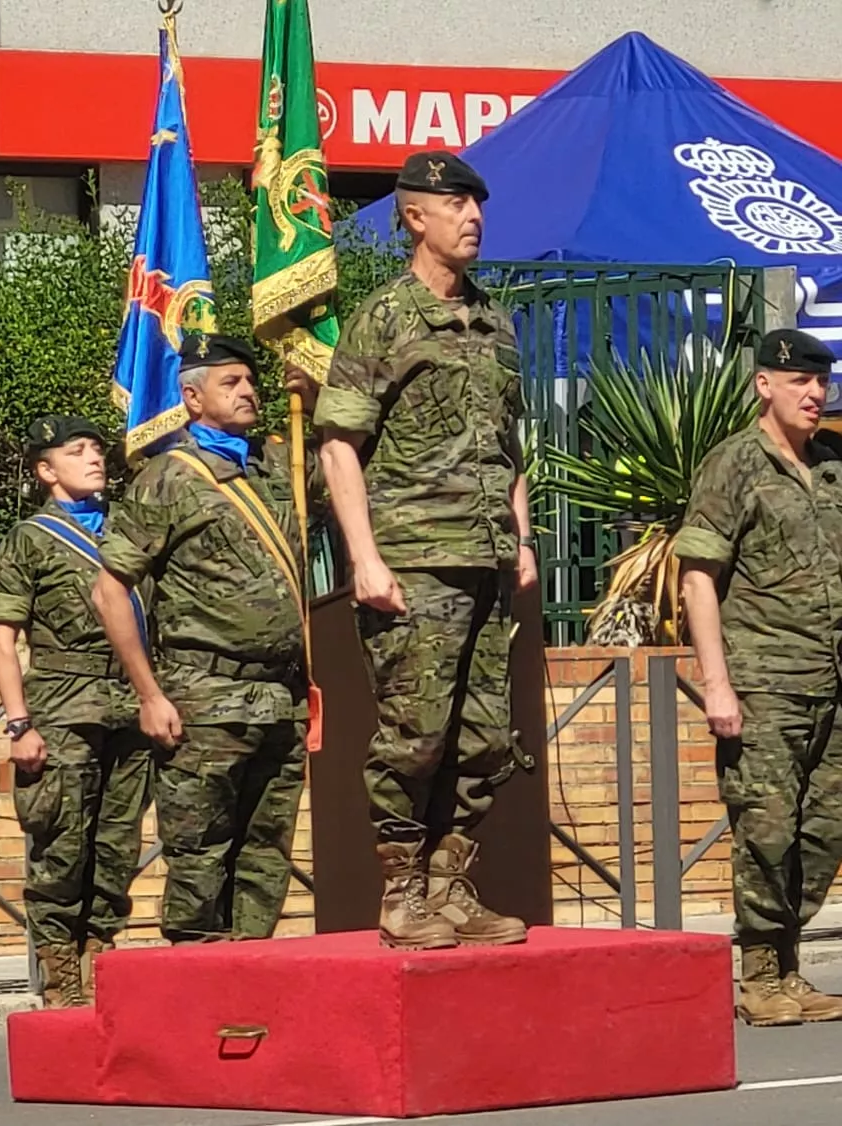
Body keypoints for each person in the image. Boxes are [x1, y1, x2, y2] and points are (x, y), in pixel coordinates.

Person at [313, 149, 535, 951]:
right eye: (457, 207)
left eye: (479, 206)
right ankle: (402, 891)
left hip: (485, 558)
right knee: (416, 734)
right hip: (413, 559)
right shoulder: (386, 318)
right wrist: (364, 559)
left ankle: (450, 889)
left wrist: (521, 535)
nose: (473, 219)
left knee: (485, 741)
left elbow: (507, 443)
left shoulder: (497, 322)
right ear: (415, 217)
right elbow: (339, 445)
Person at [93, 335, 312, 946]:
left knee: (266, 859)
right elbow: (111, 591)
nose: (248, 391)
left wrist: (316, 397)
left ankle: (251, 986)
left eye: (249, 381)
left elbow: (358, 465)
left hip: (280, 698)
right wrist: (148, 693)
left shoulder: (275, 465)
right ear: (191, 397)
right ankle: (197, 990)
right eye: (230, 383)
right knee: (198, 858)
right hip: (204, 696)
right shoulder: (170, 478)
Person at [676, 328, 842, 1027]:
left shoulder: (833, 463)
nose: (814, 392)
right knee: (768, 830)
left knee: (824, 830)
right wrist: (716, 683)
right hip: (765, 681)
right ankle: (759, 970)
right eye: (799, 380)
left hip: (832, 681)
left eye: (821, 380)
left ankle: (791, 964)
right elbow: (697, 579)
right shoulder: (734, 465)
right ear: (763, 385)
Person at [0, 416, 151, 1008]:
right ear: (46, 470)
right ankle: (62, 983)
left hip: (127, 710)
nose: (95, 458)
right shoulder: (31, 539)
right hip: (63, 707)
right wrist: (20, 724)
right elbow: (2, 638)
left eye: (98, 449)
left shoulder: (127, 535)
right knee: (61, 850)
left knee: (116, 847)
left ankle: (100, 965)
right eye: (77, 452)